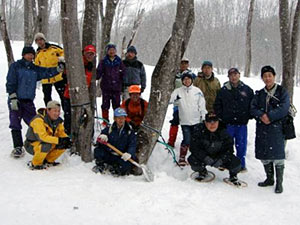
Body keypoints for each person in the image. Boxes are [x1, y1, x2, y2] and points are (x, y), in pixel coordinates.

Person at [6, 46, 63, 158]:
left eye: (32, 54)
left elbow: (46, 73)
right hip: (16, 100)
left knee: (35, 123)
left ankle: (34, 143)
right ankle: (18, 147)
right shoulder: (16, 66)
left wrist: (57, 70)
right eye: (28, 54)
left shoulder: (34, 69)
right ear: (23, 55)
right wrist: (12, 96)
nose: (30, 56)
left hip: (28, 101)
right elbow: (10, 81)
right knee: (15, 124)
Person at [250, 66, 290, 194]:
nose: (267, 78)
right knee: (264, 155)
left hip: (278, 128)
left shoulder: (282, 91)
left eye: (270, 75)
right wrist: (261, 115)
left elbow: (284, 108)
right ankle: (269, 178)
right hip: (263, 128)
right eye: (265, 76)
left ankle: (279, 183)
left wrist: (270, 116)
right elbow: (253, 107)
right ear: (262, 78)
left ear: (274, 76)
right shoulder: (259, 94)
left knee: (278, 156)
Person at [214, 68, 254, 172]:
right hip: (228, 124)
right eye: (231, 75)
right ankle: (225, 162)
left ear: (239, 75)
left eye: (235, 74)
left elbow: (252, 105)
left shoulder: (247, 90)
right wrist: (222, 117)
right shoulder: (223, 90)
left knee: (241, 145)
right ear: (228, 77)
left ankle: (241, 164)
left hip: (241, 124)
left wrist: (247, 116)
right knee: (227, 144)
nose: (233, 77)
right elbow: (217, 105)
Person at [188, 113, 242, 185]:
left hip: (219, 156)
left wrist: (221, 159)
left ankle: (233, 176)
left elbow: (229, 150)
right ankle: (202, 171)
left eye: (215, 122)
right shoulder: (198, 131)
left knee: (236, 163)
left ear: (218, 122)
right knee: (192, 160)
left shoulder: (224, 132)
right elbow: (194, 148)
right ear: (205, 122)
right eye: (210, 122)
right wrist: (205, 158)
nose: (212, 124)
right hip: (205, 156)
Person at [169, 71, 207, 166]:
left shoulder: (197, 91)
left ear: (192, 80)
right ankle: (182, 157)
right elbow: (170, 100)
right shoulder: (178, 91)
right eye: (185, 79)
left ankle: (196, 156)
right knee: (187, 139)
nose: (187, 81)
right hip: (184, 121)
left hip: (196, 120)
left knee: (196, 139)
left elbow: (202, 105)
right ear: (182, 81)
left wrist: (204, 116)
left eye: (188, 79)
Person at [24, 101, 71, 170]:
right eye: (54, 111)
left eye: (58, 111)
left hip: (47, 142)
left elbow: (61, 133)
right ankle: (35, 163)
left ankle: (48, 161)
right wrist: (58, 140)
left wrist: (66, 140)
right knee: (46, 145)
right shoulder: (38, 120)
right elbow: (42, 137)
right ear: (48, 110)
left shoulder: (58, 121)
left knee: (64, 144)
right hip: (32, 144)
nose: (57, 113)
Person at [63, 44, 97, 134]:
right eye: (88, 53)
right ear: (84, 53)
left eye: (92, 54)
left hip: (82, 97)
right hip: (70, 95)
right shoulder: (77, 62)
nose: (90, 56)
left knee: (80, 118)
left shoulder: (90, 65)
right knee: (69, 117)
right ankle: (67, 137)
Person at [93, 108, 136, 176]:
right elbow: (99, 139)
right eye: (119, 118)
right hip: (109, 153)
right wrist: (102, 136)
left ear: (125, 118)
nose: (121, 120)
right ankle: (101, 165)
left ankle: (115, 169)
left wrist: (129, 153)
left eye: (122, 118)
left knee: (125, 166)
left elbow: (132, 144)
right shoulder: (110, 128)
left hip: (120, 156)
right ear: (115, 118)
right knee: (98, 151)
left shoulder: (129, 131)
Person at [167, 57, 196, 147]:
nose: (183, 65)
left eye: (185, 63)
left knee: (187, 123)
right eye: (182, 63)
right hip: (177, 103)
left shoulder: (192, 75)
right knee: (175, 122)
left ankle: (188, 142)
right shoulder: (175, 74)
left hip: (189, 104)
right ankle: (171, 141)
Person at [34, 33, 66, 108]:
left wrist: (61, 61)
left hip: (58, 77)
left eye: (41, 39)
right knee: (47, 98)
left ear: (44, 40)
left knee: (63, 96)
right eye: (37, 40)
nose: (39, 42)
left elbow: (64, 53)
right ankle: (50, 114)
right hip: (46, 79)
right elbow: (36, 66)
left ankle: (67, 113)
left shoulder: (54, 48)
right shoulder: (37, 53)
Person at [96, 43, 126, 126]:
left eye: (113, 50)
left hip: (116, 88)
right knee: (105, 105)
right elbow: (98, 73)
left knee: (116, 105)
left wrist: (122, 85)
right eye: (110, 50)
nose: (112, 51)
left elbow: (123, 73)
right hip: (106, 87)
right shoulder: (103, 61)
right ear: (107, 51)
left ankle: (117, 121)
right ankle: (105, 121)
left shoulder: (119, 61)